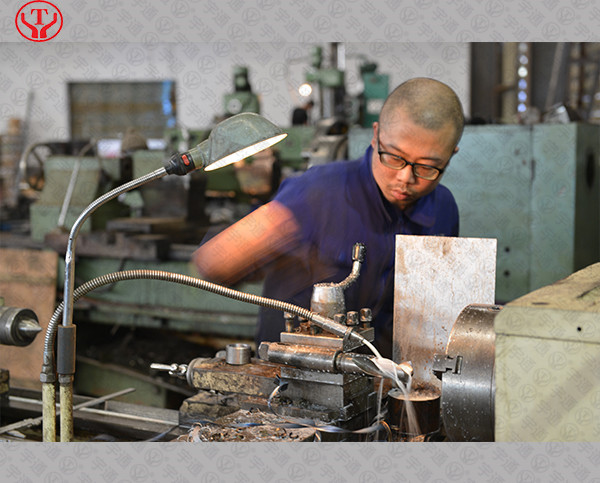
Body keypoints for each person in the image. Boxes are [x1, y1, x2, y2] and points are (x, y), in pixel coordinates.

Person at [192, 77, 465, 359]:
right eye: (394, 157)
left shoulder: (443, 211)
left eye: (427, 167)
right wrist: (241, 250)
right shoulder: (317, 193)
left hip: (383, 375)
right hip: (291, 375)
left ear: (450, 156)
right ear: (376, 135)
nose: (405, 178)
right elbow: (211, 262)